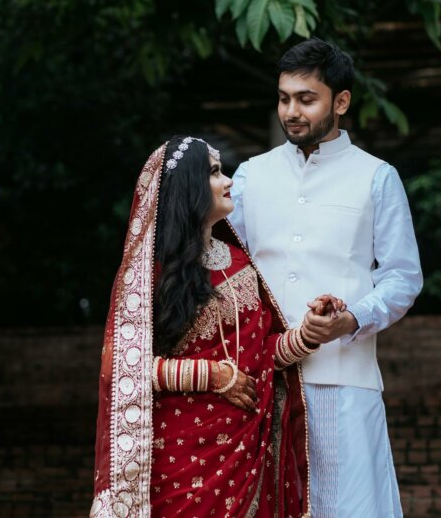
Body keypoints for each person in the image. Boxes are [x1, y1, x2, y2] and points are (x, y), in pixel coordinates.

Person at [90, 134, 341, 517]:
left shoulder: (240, 262)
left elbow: (261, 353)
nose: (228, 182)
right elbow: (121, 366)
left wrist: (307, 333)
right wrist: (211, 375)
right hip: (179, 455)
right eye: (215, 173)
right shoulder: (150, 275)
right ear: (189, 186)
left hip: (245, 450)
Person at [228, 38, 423, 517]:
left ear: (341, 101)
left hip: (345, 379)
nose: (291, 111)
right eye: (284, 98)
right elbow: (229, 272)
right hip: (262, 379)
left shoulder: (377, 177)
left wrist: (351, 319)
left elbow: (402, 277)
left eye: (306, 99)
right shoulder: (250, 177)